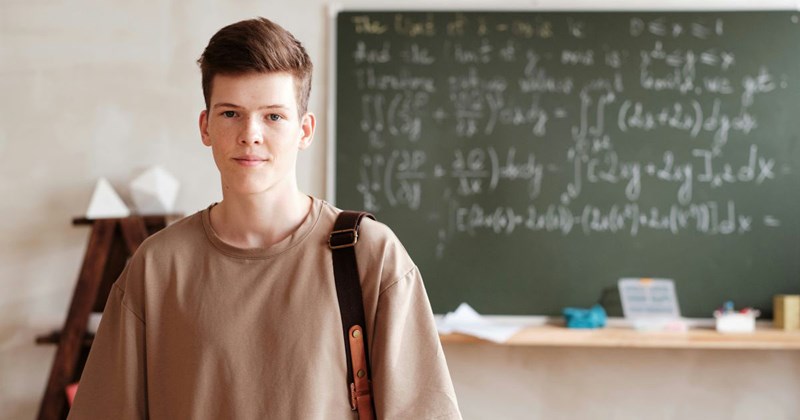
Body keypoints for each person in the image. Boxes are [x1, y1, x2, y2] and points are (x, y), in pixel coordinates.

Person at [68, 16, 461, 419]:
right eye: (230, 114)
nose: (250, 134)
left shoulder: (370, 257)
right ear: (205, 127)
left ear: (305, 130)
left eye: (273, 116)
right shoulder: (156, 268)